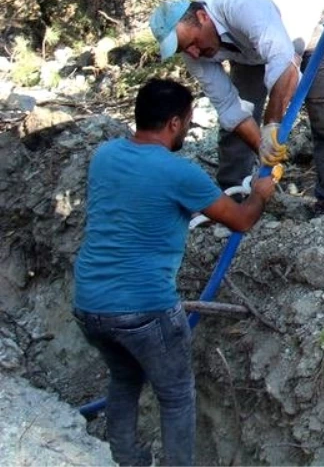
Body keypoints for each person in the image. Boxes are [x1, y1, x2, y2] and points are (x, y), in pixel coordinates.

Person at [73, 78, 276, 467]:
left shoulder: (105, 155)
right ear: (172, 123)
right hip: (144, 310)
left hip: (89, 305)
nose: (185, 127)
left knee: (124, 379)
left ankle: (129, 460)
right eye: (185, 120)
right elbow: (241, 220)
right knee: (177, 394)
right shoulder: (179, 174)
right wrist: (260, 194)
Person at [150, 0, 324, 216]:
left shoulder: (241, 5)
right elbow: (228, 106)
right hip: (249, 49)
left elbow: (284, 61)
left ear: (202, 17)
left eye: (191, 42)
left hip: (310, 23)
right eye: (183, 49)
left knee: (323, 113)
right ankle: (232, 198)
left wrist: (271, 124)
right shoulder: (194, 51)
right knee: (238, 125)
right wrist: (263, 148)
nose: (192, 52)